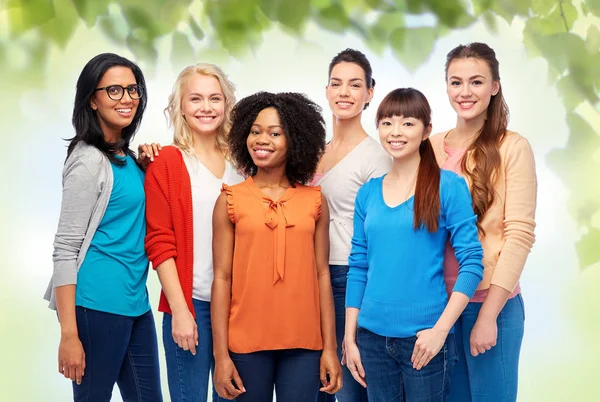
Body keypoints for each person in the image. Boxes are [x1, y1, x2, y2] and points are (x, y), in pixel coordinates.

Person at [344, 88, 484, 402]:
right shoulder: (368, 193)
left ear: (426, 130)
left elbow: (472, 262)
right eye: (387, 123)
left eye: (408, 123)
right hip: (371, 338)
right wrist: (350, 336)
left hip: (424, 338)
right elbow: (359, 265)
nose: (396, 132)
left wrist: (440, 331)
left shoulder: (447, 186)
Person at [44, 53, 162, 401]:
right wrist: (69, 334)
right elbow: (65, 248)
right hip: (95, 307)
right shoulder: (87, 159)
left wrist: (147, 165)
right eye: (113, 90)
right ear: (92, 99)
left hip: (135, 305)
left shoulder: (125, 157)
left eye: (132, 89)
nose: (126, 98)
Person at [211, 92, 342, 401]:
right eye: (255, 131)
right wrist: (221, 357)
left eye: (274, 132)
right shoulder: (229, 199)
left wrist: (330, 349)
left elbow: (323, 275)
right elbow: (222, 278)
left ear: (294, 139)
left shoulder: (315, 201)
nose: (261, 139)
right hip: (244, 344)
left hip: (304, 345)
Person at [430, 42, 537, 402]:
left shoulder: (512, 147)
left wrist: (489, 314)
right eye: (455, 82)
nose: (465, 92)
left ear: (494, 86)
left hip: (490, 303)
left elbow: (519, 235)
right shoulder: (429, 146)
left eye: (476, 82)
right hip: (439, 306)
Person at [144, 63, 243, 402]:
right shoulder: (168, 162)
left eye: (215, 98)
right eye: (196, 98)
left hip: (239, 307)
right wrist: (180, 310)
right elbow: (160, 243)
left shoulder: (244, 163)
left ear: (227, 104)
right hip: (193, 305)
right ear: (181, 106)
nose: (206, 107)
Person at [313, 48, 392, 402]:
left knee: (347, 385)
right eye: (336, 83)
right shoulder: (315, 151)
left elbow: (381, 236)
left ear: (369, 93)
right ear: (326, 90)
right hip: (309, 277)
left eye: (354, 85)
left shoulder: (376, 158)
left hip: (348, 278)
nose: (344, 92)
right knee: (316, 384)